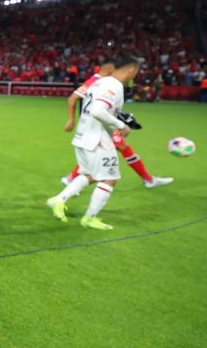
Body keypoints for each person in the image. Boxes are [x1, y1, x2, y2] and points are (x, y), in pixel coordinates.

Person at [47, 56, 141, 230]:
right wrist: (122, 126)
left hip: (82, 136)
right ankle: (89, 218)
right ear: (131, 70)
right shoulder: (114, 85)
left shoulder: (99, 82)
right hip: (97, 140)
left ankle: (59, 200)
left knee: (89, 174)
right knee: (110, 178)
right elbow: (98, 111)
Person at [61, 59, 172, 189]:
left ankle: (148, 179)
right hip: (97, 126)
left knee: (108, 151)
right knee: (110, 153)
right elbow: (73, 98)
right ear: (111, 69)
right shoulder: (97, 81)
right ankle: (71, 181)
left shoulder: (102, 82)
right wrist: (71, 120)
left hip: (100, 125)